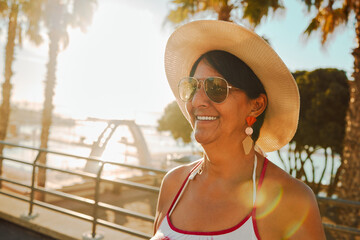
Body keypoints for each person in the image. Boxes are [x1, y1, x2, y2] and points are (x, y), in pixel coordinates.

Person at [152, 20, 326, 240]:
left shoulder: (292, 200)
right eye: (193, 86)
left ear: (256, 105)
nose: (197, 100)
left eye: (216, 88)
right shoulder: (173, 184)